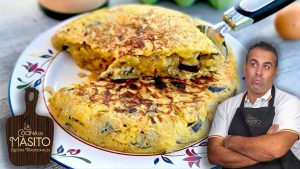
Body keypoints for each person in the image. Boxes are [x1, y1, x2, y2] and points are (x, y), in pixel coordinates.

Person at [207, 41, 300, 169]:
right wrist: (263, 149)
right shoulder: (226, 106)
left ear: (275, 72)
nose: (259, 72)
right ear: (244, 68)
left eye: (266, 66)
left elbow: (275, 149)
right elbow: (214, 155)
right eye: (254, 64)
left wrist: (231, 141)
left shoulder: (289, 102)